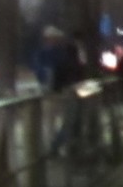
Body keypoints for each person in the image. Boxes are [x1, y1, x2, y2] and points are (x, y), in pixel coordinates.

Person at [35, 26, 87, 155]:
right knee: (55, 120)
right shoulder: (57, 54)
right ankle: (54, 146)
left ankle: (55, 146)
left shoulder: (54, 54)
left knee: (57, 120)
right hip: (57, 90)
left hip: (56, 90)